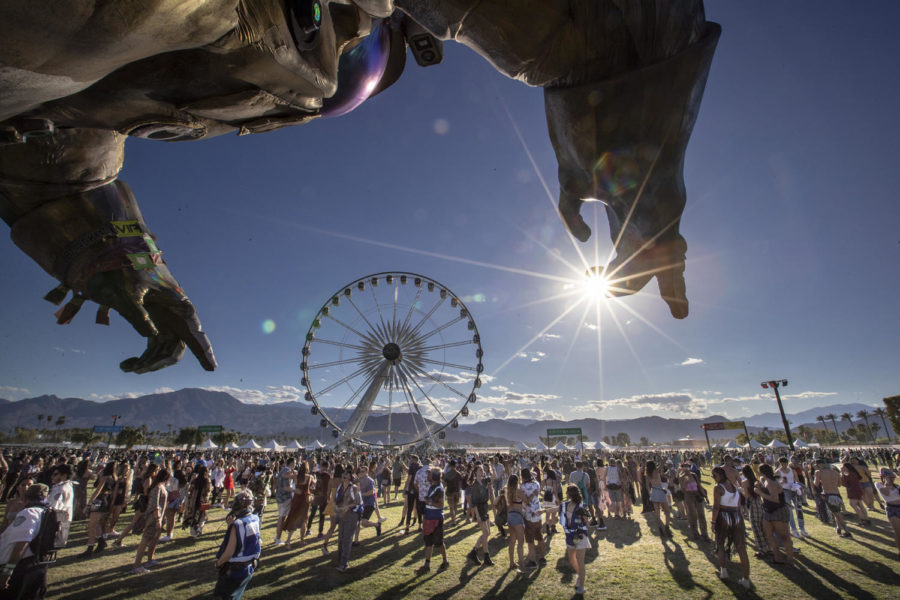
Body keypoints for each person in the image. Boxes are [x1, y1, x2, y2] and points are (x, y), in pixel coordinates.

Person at [0, 484, 52, 600]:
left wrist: (8, 571)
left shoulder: (29, 513)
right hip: (37, 563)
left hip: (21, 566)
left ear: (26, 497)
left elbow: (21, 544)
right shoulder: (46, 511)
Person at [214, 491, 261, 600]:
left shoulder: (238, 524)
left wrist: (218, 563)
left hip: (235, 570)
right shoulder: (255, 518)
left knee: (222, 596)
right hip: (249, 566)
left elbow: (230, 552)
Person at [710, 467, 750, 589]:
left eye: (714, 476)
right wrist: (741, 519)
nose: (713, 478)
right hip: (736, 516)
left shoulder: (718, 488)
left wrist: (713, 521)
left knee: (720, 543)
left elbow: (716, 506)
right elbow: (738, 506)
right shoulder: (733, 487)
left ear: (720, 476)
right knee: (741, 547)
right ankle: (746, 578)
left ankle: (723, 571)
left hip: (723, 515)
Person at [755, 464, 794, 566]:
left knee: (784, 536)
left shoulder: (770, 482)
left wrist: (759, 492)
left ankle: (790, 559)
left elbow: (775, 499)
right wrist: (760, 488)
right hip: (768, 511)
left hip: (778, 510)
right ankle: (777, 557)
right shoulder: (768, 481)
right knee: (769, 535)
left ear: (762, 472)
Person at [132, 468, 169, 574]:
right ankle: (137, 565)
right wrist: (158, 520)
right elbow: (155, 505)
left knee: (154, 539)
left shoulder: (160, 486)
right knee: (145, 540)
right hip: (153, 518)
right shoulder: (157, 487)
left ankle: (150, 559)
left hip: (159, 517)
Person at [560, 484, 590, 595]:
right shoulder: (565, 505)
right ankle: (580, 575)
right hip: (570, 536)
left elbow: (588, 520)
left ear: (570, 494)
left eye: (567, 492)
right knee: (572, 559)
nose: (565, 494)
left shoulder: (581, 507)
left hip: (580, 535)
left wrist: (586, 521)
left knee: (580, 560)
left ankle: (581, 585)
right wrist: (543, 511)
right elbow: (555, 508)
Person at [419, 468, 449, 573]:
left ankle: (445, 561)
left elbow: (441, 505)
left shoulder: (439, 489)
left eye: (429, 474)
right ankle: (427, 565)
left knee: (439, 543)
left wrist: (429, 502)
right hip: (429, 517)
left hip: (436, 518)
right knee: (428, 543)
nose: (427, 476)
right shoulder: (432, 486)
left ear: (434, 477)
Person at [333, 469, 362, 573]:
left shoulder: (354, 488)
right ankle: (340, 560)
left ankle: (343, 564)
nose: (343, 477)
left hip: (351, 515)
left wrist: (348, 507)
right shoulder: (340, 487)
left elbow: (358, 502)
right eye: (343, 475)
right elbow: (336, 500)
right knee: (340, 538)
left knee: (347, 539)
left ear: (350, 478)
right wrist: (336, 507)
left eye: (346, 475)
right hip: (341, 515)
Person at [740, 465, 773, 558]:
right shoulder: (757, 481)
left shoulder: (745, 482)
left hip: (753, 505)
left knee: (756, 528)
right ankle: (769, 547)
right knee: (763, 528)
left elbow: (747, 496)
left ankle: (762, 549)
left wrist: (741, 490)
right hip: (760, 504)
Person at [813, 459, 850, 538]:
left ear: (819, 465)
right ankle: (838, 528)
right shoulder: (835, 472)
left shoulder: (818, 472)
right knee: (837, 512)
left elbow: (816, 484)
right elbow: (840, 484)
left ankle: (846, 530)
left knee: (837, 514)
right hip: (837, 494)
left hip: (828, 494)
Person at [466, 465, 495, 566]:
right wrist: (477, 516)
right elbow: (473, 503)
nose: (481, 471)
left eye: (482, 470)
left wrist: (492, 467)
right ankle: (486, 557)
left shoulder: (484, 480)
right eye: (479, 470)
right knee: (485, 533)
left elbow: (493, 477)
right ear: (475, 472)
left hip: (485, 508)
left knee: (487, 533)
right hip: (479, 510)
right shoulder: (474, 485)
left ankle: (473, 552)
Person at [520, 468, 547, 570]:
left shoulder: (522, 487)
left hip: (528, 516)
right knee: (539, 536)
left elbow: (525, 501)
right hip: (538, 514)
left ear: (522, 477)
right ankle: (542, 557)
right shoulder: (536, 484)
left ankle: (532, 561)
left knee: (530, 540)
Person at [874, 468, 900, 559]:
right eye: (890, 477)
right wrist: (887, 482)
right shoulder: (879, 485)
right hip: (891, 509)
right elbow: (886, 493)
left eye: (893, 477)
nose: (892, 479)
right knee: (898, 532)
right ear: (883, 477)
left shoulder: (897, 486)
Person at [47, 465, 74, 549]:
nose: (52, 476)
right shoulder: (67, 485)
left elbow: (53, 506)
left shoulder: (60, 488)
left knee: (52, 541)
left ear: (64, 475)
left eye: (56, 474)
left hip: (57, 516)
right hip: (64, 516)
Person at [505, 474, 527, 572]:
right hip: (518, 516)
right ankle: (521, 566)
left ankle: (511, 562)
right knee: (521, 542)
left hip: (510, 516)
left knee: (512, 541)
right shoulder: (518, 491)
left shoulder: (508, 490)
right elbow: (527, 500)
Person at [272, 457, 296, 546]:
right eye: (295, 463)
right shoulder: (287, 471)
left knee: (281, 517)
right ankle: (278, 538)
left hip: (280, 496)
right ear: (292, 463)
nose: (295, 464)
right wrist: (296, 491)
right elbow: (286, 487)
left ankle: (277, 537)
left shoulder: (283, 470)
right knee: (282, 518)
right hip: (285, 497)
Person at [645, 460, 671, 538]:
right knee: (667, 511)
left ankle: (660, 527)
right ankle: (667, 527)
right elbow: (661, 465)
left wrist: (650, 494)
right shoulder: (656, 471)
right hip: (659, 490)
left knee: (657, 512)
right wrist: (663, 459)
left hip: (654, 491)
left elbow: (647, 486)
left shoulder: (647, 474)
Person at [841, 461, 870, 526]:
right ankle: (866, 519)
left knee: (853, 504)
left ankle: (863, 519)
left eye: (843, 467)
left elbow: (844, 483)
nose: (842, 468)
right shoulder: (854, 473)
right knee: (860, 505)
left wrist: (842, 474)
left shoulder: (849, 474)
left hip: (853, 490)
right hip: (858, 489)